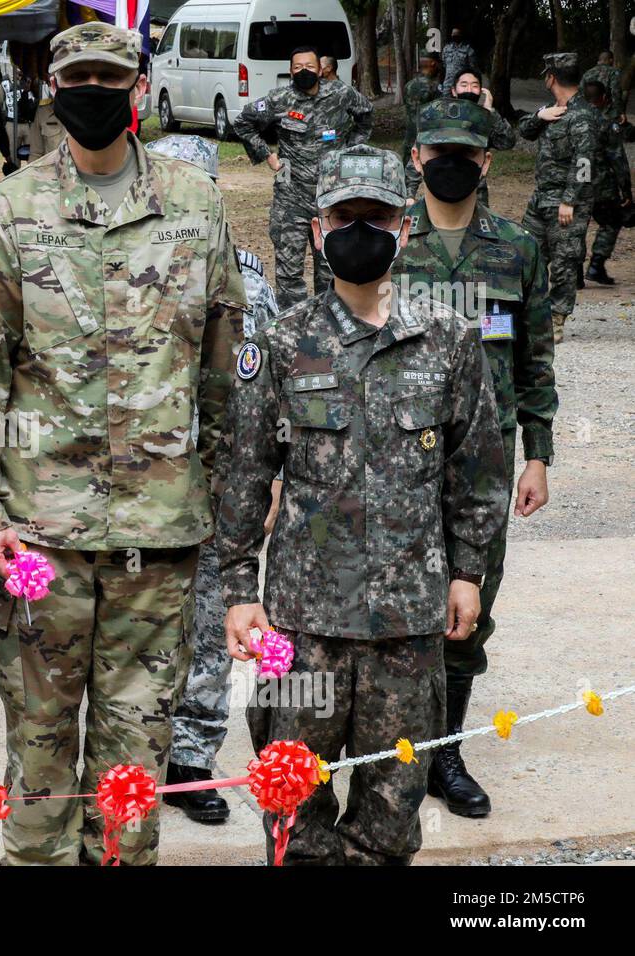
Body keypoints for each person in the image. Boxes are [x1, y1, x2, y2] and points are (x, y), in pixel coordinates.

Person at [0, 22, 247, 866]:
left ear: (137, 91)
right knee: (39, 765)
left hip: (158, 543)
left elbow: (223, 374)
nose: (92, 91)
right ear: (53, 88)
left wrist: (212, 501)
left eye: (108, 79)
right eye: (76, 77)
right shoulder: (14, 209)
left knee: (131, 775)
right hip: (39, 541)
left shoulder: (194, 205)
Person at [218, 144, 508, 865]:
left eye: (374, 217)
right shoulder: (283, 344)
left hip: (407, 631)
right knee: (294, 811)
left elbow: (478, 473)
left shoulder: (447, 337)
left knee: (389, 822)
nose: (358, 230)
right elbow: (244, 474)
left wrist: (468, 573)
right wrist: (234, 591)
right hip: (303, 627)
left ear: (402, 226)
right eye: (343, 217)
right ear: (317, 230)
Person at [398, 98, 556, 820]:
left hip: (485, 470)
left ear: (487, 161)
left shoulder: (517, 248)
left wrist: (540, 454)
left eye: (467, 154)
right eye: (439, 153)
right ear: (416, 158)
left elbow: (536, 359)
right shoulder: (389, 241)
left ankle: (445, 753)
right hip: (396, 461)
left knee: (469, 610)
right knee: (398, 608)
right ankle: (393, 751)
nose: (452, 165)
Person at [141, 135, 278, 825]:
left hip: (223, 485)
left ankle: (192, 758)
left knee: (209, 623)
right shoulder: (129, 269)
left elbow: (275, 389)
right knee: (138, 627)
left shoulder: (252, 281)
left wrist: (271, 482)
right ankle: (133, 754)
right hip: (143, 487)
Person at [232, 45, 374, 310]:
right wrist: (267, 155)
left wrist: (351, 151)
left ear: (321, 69)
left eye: (309, 66)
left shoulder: (341, 94)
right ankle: (292, 329)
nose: (304, 72)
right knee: (289, 273)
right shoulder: (279, 99)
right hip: (291, 198)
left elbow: (366, 115)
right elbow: (243, 122)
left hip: (332, 199)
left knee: (331, 271)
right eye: (297, 68)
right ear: (290, 71)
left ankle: (330, 326)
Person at [518, 52, 599, 343]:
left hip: (566, 204)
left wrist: (569, 201)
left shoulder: (582, 116)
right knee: (527, 254)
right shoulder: (552, 108)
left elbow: (584, 163)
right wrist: (539, 116)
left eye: (545, 74)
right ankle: (528, 312)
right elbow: (524, 131)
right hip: (540, 199)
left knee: (565, 261)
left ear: (551, 77)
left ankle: (556, 318)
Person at [582, 67, 632, 285]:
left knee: (576, 226)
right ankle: (596, 265)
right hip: (602, 187)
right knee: (611, 222)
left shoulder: (574, 120)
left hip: (576, 186)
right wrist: (627, 191)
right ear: (603, 98)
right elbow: (618, 160)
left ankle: (573, 271)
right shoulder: (605, 124)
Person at [447, 71, 516, 208]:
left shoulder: (484, 119)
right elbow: (422, 148)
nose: (469, 90)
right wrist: (411, 193)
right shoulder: (442, 117)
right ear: (454, 91)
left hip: (476, 191)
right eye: (464, 85)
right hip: (445, 185)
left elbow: (507, 142)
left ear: (481, 91)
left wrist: (491, 111)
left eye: (474, 86)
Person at [403, 52, 442, 197]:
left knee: (406, 164)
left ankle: (405, 195)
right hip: (426, 133)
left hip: (410, 132)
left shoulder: (409, 85)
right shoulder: (434, 87)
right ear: (433, 64)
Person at [440, 28, 478, 94]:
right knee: (446, 102)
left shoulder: (468, 50)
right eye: (453, 34)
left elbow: (472, 68)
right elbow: (444, 65)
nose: (455, 36)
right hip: (447, 84)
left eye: (457, 35)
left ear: (461, 36)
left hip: (462, 84)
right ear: (451, 35)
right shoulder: (446, 49)